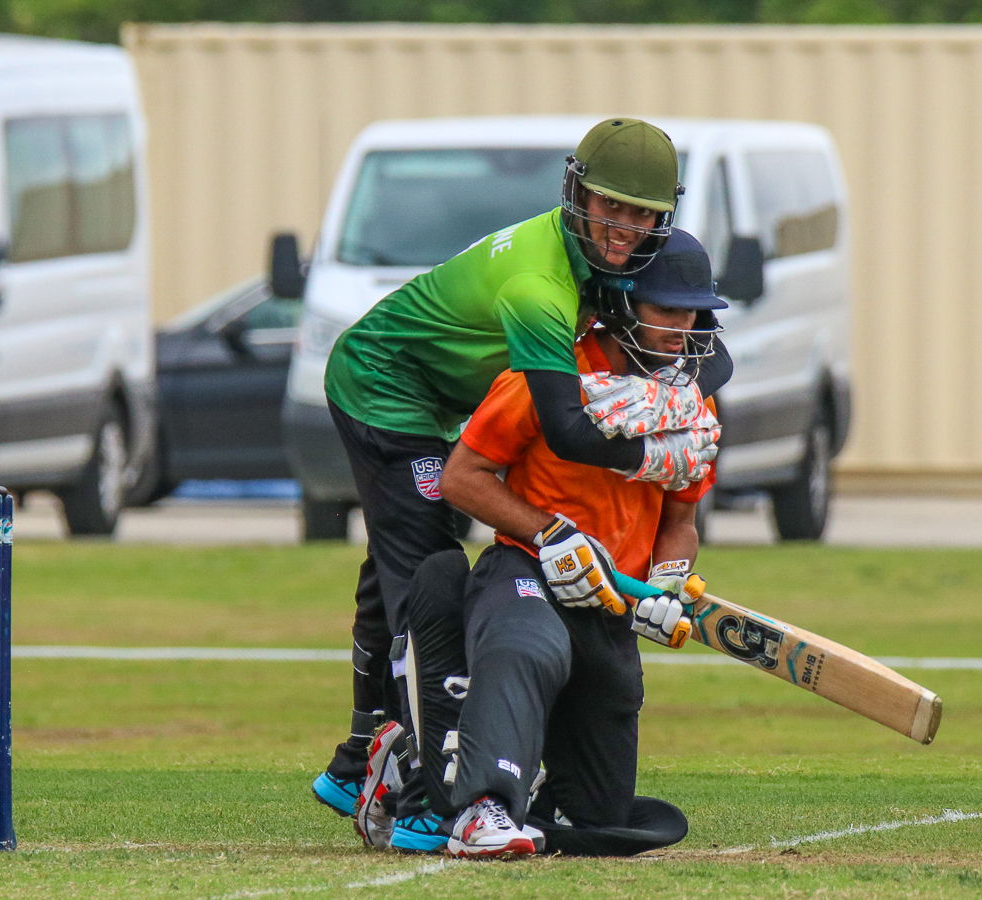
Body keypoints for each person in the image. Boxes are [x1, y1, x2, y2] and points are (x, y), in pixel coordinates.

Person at [310, 118, 732, 849]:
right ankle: (422, 796)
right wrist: (652, 455)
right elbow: (568, 431)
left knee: (392, 569)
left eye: (641, 212)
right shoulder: (543, 288)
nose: (624, 227)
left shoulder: (618, 273)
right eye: (610, 205)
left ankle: (357, 760)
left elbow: (705, 365)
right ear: (576, 190)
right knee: (426, 573)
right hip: (386, 385)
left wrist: (664, 576)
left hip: (449, 399)